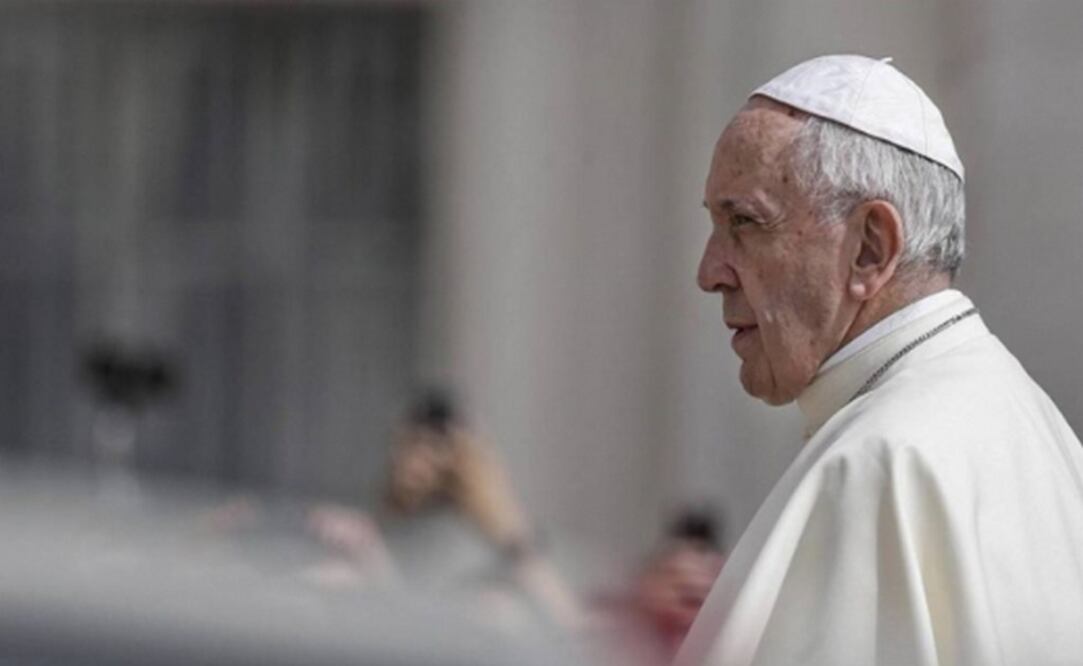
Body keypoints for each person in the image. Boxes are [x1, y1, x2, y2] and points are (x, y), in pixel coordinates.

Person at [675, 54, 1083, 666]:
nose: (709, 273)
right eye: (714, 225)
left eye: (745, 223)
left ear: (870, 249)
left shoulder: (876, 465)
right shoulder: (1034, 425)